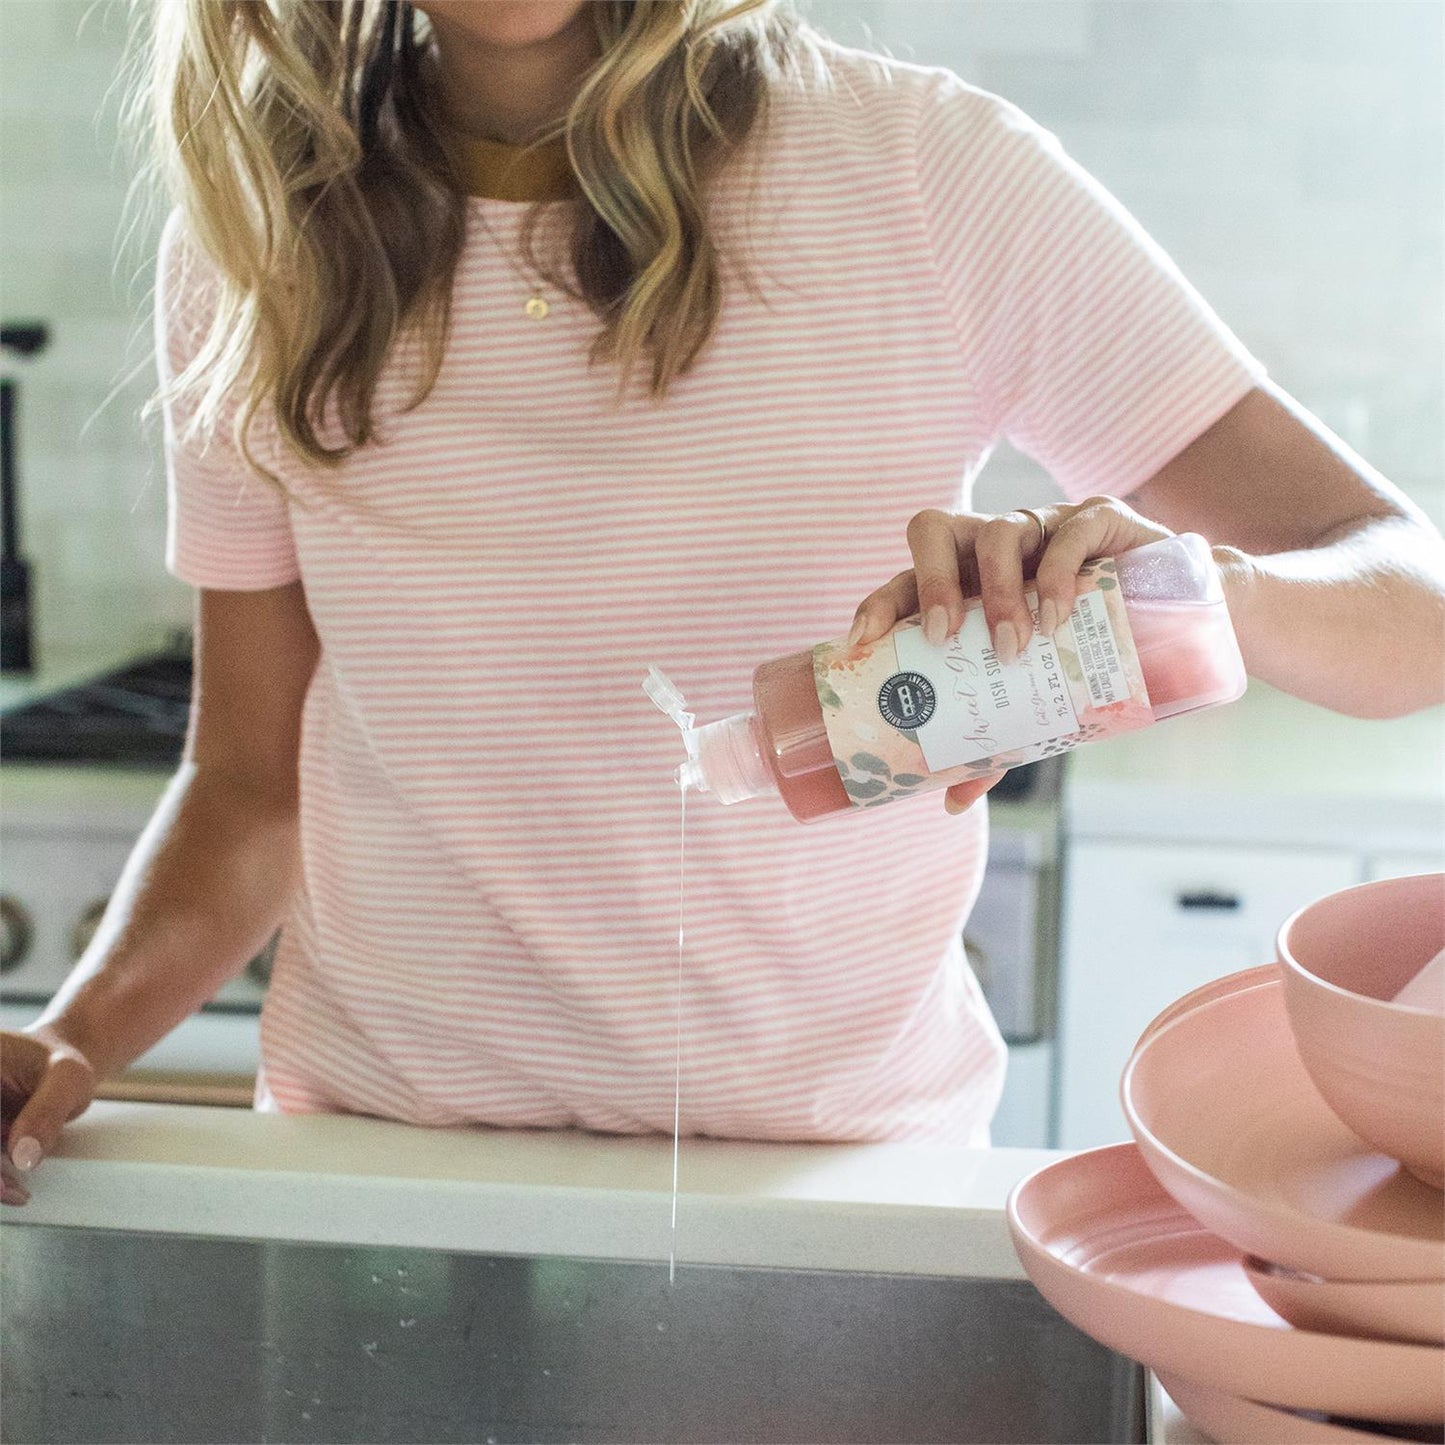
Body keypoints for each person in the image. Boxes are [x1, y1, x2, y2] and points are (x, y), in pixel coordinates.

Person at [3, 0, 1441, 1206]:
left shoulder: (921, 170)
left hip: (826, 1203)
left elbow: (1410, 603)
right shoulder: (267, 239)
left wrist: (1197, 592)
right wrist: (71, 1040)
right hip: (382, 1187)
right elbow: (248, 780)